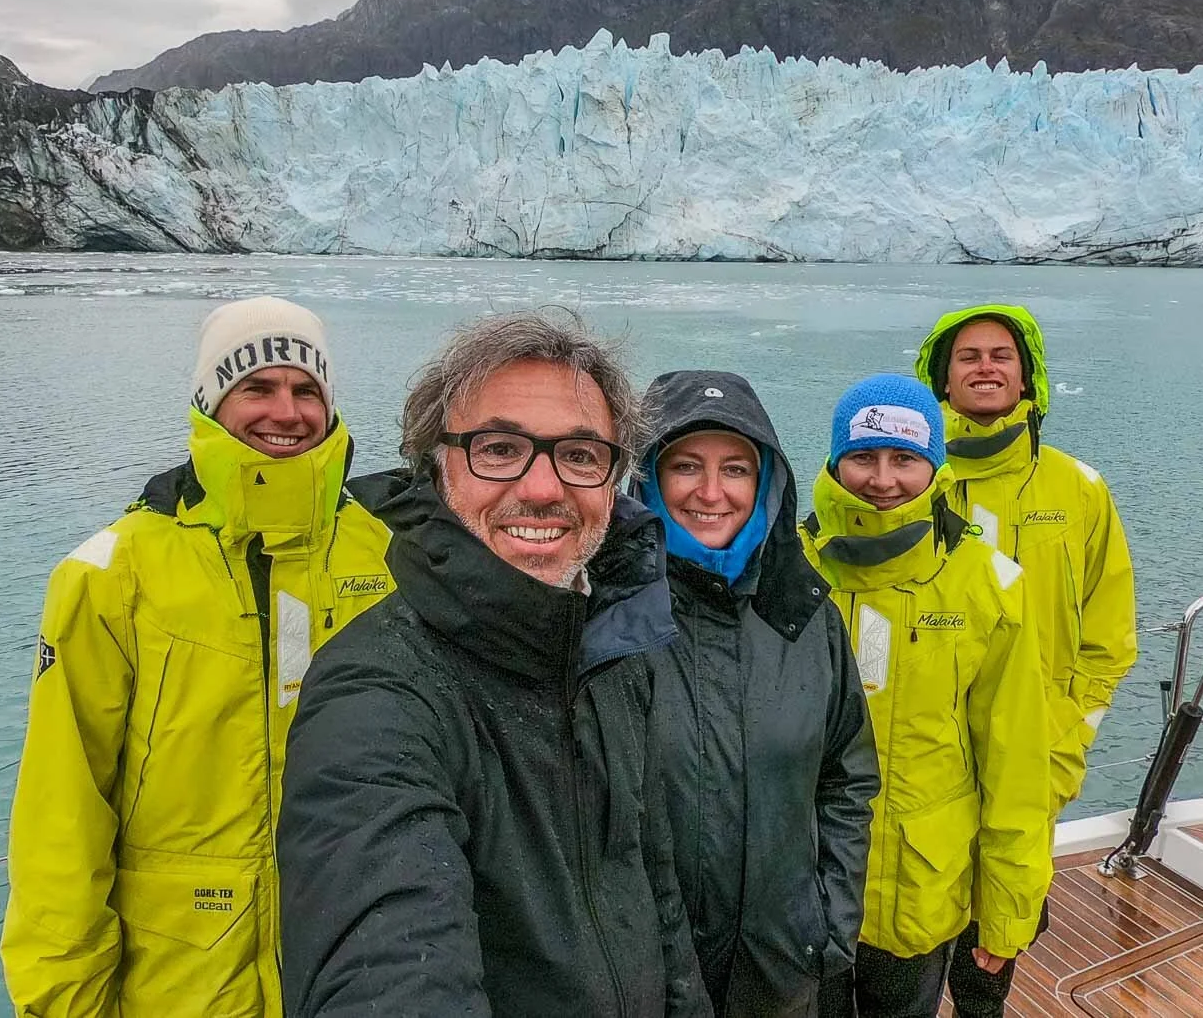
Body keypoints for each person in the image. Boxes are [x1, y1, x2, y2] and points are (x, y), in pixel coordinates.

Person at [278, 310, 710, 1017]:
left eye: (579, 454)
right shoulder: (376, 696)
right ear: (436, 466)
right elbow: (389, 965)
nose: (542, 487)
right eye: (500, 447)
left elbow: (653, 895)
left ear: (613, 478)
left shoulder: (612, 655)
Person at [1, 296, 394, 1017]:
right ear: (211, 401)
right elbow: (62, 816)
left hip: (355, 965)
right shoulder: (111, 574)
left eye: (307, 389)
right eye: (257, 386)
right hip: (182, 985)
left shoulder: (384, 554)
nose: (287, 410)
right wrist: (67, 1002)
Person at [800, 374, 1052, 1018]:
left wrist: (1007, 906)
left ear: (934, 465)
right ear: (834, 462)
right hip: (802, 881)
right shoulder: (790, 567)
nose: (883, 479)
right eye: (863, 457)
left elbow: (1015, 759)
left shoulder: (989, 585)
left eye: (905, 459)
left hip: (918, 885)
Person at [914, 305, 1138, 1015]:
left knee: (996, 940)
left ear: (1026, 372)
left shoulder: (1078, 490)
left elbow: (1111, 635)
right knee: (911, 933)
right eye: (969, 355)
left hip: (1033, 754)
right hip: (927, 758)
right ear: (942, 380)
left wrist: (1068, 736)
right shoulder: (907, 482)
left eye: (1001, 354)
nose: (985, 366)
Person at [635, 370, 880, 1017]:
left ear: (766, 480)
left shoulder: (803, 613)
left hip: (778, 969)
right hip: (641, 977)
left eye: (736, 469)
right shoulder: (606, 615)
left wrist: (829, 920)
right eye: (686, 465)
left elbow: (848, 775)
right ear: (647, 478)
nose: (712, 492)